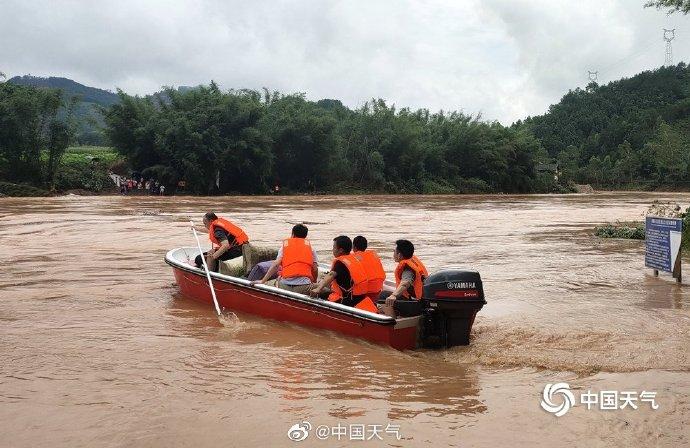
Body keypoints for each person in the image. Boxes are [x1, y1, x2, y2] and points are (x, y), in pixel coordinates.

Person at [310, 236, 376, 312]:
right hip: (359, 297)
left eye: (334, 247)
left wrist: (318, 289)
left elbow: (331, 275)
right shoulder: (353, 259)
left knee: (319, 294)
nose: (332, 250)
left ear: (341, 250)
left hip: (347, 301)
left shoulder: (340, 263)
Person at [251, 224, 318, 294]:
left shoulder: (284, 247)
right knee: (324, 288)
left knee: (277, 279)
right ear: (305, 236)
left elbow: (275, 265)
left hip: (284, 286)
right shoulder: (311, 249)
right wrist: (314, 281)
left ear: (293, 234)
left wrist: (262, 281)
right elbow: (315, 269)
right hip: (304, 287)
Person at [383, 239, 429, 317]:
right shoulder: (413, 260)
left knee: (383, 296)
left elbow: (406, 283)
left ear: (399, 255)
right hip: (423, 302)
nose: (393, 254)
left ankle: (392, 324)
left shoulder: (408, 269)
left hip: (415, 305)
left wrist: (394, 295)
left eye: (394, 251)